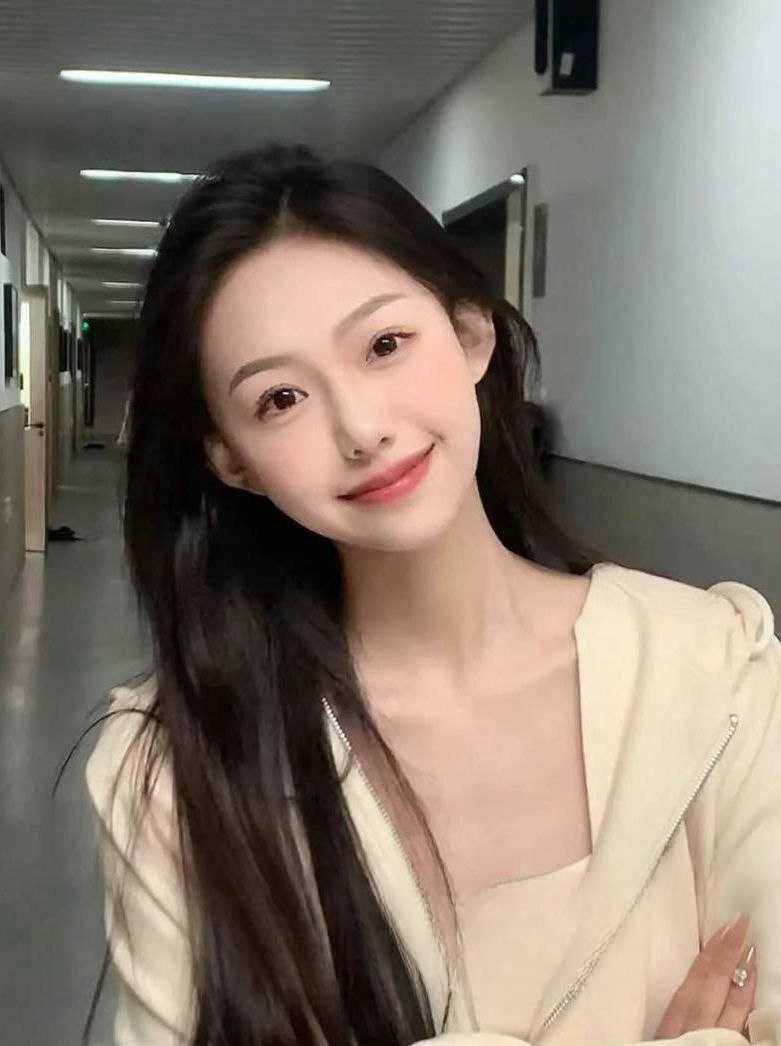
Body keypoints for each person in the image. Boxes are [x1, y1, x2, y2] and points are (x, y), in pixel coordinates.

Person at [82, 143, 780, 1045]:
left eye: (384, 345)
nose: (361, 428)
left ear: (470, 334)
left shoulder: (716, 667)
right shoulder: (173, 771)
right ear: (230, 460)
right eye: (281, 399)